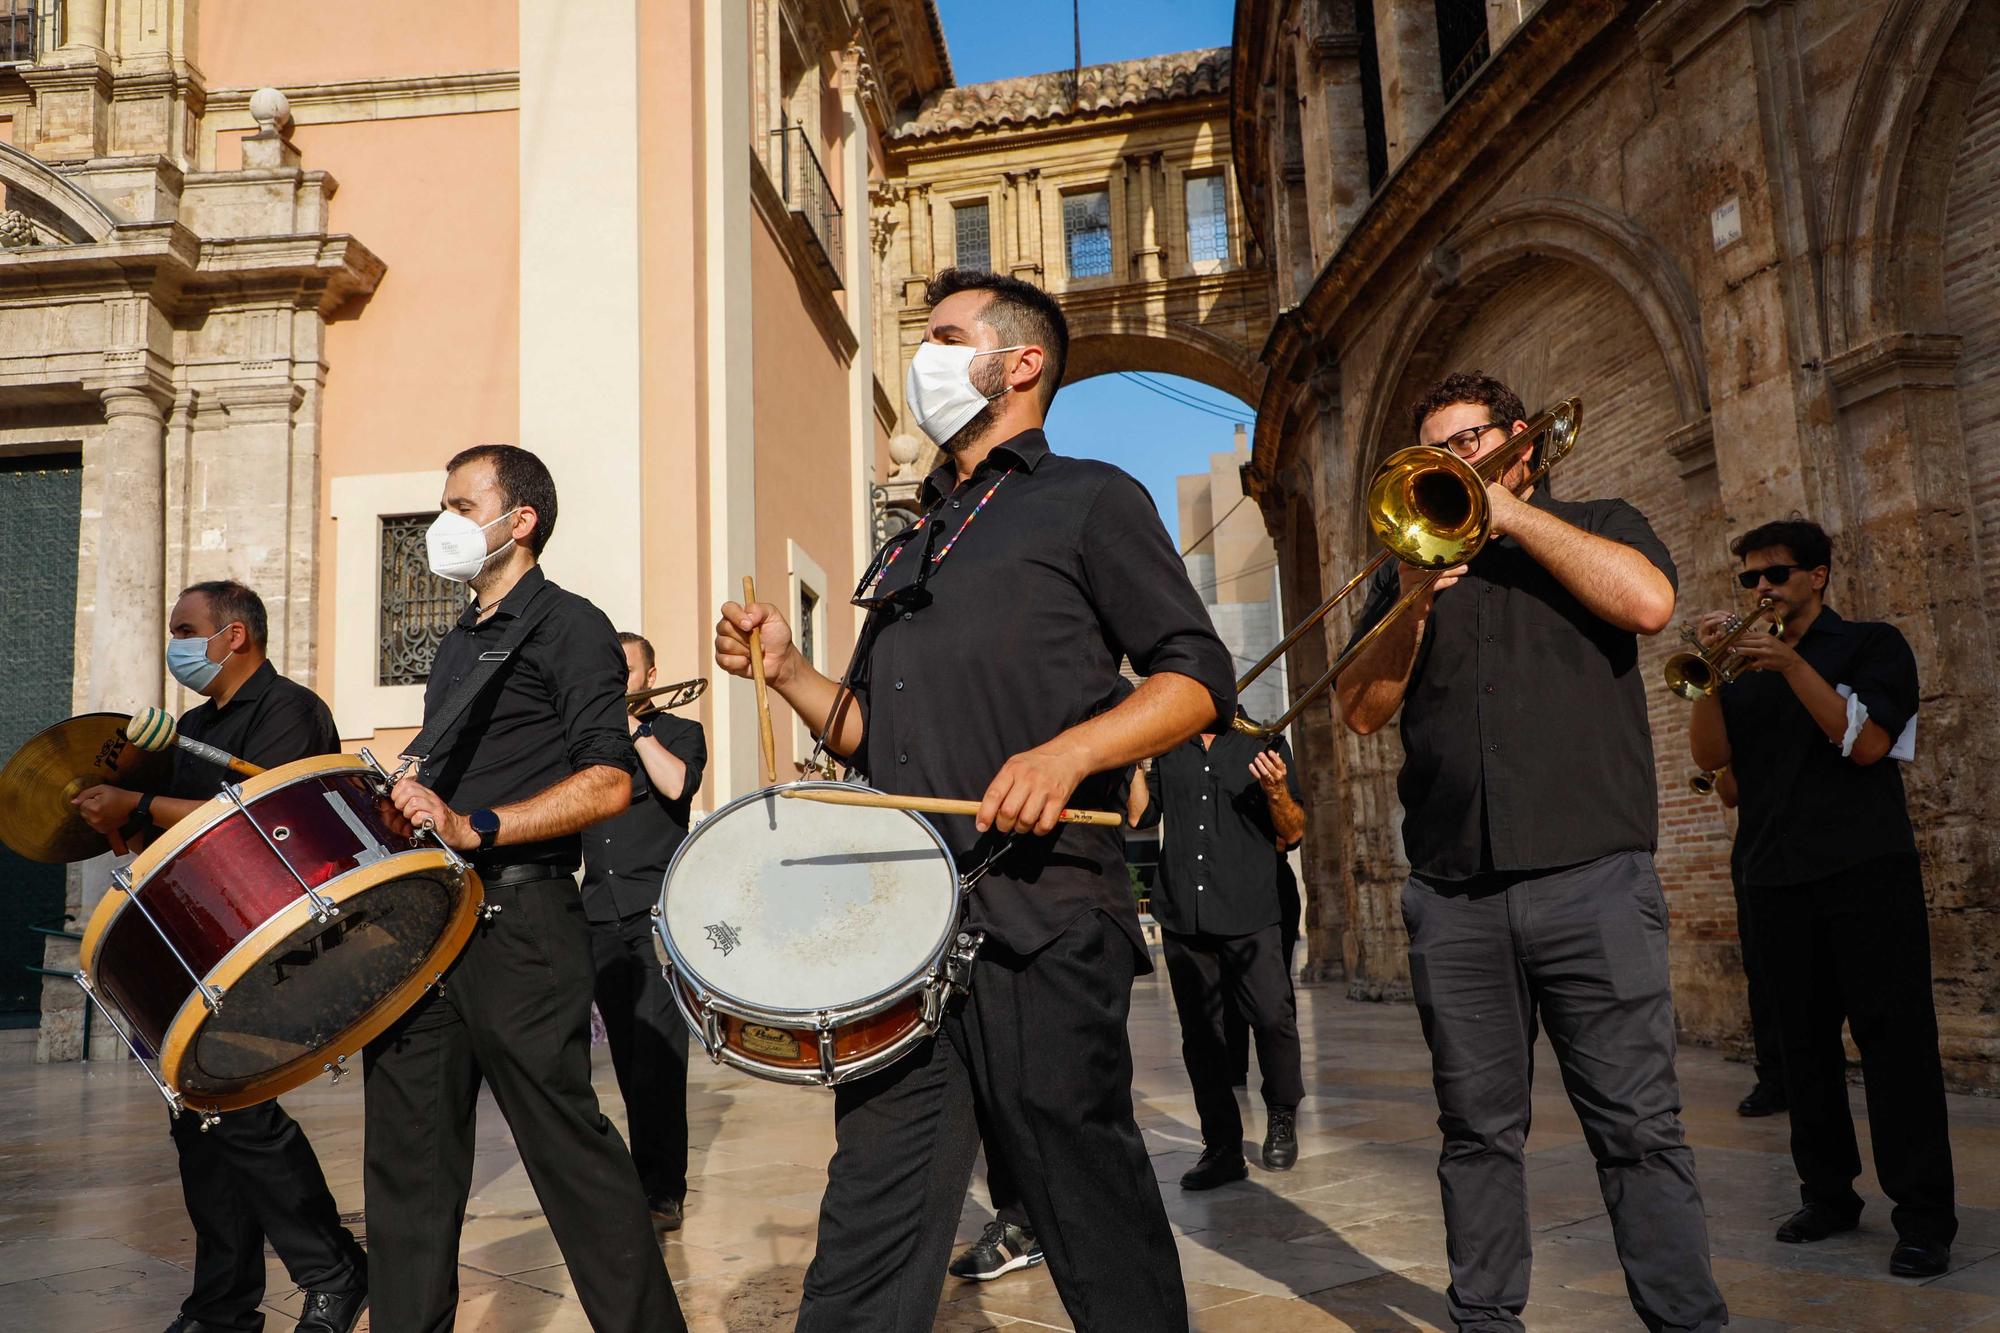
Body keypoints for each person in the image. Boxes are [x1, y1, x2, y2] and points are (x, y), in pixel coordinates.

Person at [714, 268, 1235, 1332]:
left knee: (1082, 1189)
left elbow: (1193, 679)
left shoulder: (1089, 498)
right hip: (901, 931)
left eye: (947, 337)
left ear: (1020, 362)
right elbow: (874, 738)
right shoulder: (913, 536)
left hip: (1042, 920)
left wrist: (1066, 754)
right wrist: (787, 671)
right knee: (874, 1201)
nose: (924, 358)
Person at [1336, 372, 1726, 1332]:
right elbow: (1358, 707)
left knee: (1638, 1130)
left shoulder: (1599, 519)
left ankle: (1686, 1322)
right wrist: (1415, 599)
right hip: (1456, 894)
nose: (1449, 465)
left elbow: (1647, 603)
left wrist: (1512, 514)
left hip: (1591, 879)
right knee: (1475, 1133)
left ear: (1520, 441)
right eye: (1434, 452)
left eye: (1465, 442)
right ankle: (1486, 1318)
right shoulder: (1405, 568)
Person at [367, 444, 686, 1332]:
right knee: (407, 1160)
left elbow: (608, 781)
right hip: (429, 917)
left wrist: (479, 826)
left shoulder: (572, 625)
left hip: (521, 916)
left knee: (568, 1151)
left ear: (521, 521)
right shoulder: (460, 640)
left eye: (463, 505)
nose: (446, 523)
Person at [72, 580, 368, 1333]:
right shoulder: (191, 727)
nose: (176, 642)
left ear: (234, 635)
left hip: (276, 936)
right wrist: (127, 784)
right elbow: (151, 838)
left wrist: (137, 802)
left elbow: (267, 812)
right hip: (199, 941)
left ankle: (332, 1267)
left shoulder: (291, 711)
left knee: (239, 1112)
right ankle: (224, 1303)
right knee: (198, 1116)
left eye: (186, 628)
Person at [1689, 518, 1956, 1276]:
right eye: (1748, 580)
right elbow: (1715, 765)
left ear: (1818, 575)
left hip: (1867, 873)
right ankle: (1829, 1194)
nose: (1760, 590)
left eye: (1774, 574)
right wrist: (1711, 673)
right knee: (1802, 1052)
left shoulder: (1872, 646)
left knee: (1896, 1048)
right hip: (1776, 877)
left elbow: (1867, 743)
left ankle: (1925, 1216)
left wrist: (1790, 664)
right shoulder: (1741, 669)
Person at [946, 756, 1148, 1285]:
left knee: (1070, 1109)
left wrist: (1126, 759)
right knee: (999, 1097)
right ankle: (1018, 1221)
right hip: (980, 911)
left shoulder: (1098, 695)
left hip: (1068, 917)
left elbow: (1139, 810)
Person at [1132, 717, 1307, 1187]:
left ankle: (1282, 1114)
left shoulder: (1266, 740)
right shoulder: (1168, 742)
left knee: (1273, 1018)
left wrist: (1277, 792)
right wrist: (1132, 761)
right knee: (1202, 1037)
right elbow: (1141, 817)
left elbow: (1293, 833)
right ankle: (1222, 1148)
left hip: (1251, 907)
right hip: (1184, 912)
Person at [581, 631, 707, 1232]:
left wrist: (635, 730)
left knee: (658, 1057)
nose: (617, 681)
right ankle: (627, 1177)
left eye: (626, 671)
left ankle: (663, 1190)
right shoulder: (587, 742)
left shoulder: (680, 733)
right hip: (596, 912)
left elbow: (677, 786)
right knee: (622, 1059)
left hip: (655, 911)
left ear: (651, 673)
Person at [1699, 766, 1787, 1117]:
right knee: (1761, 969)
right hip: (1758, 844)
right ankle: (1774, 1078)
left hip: (1815, 833)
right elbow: (1730, 794)